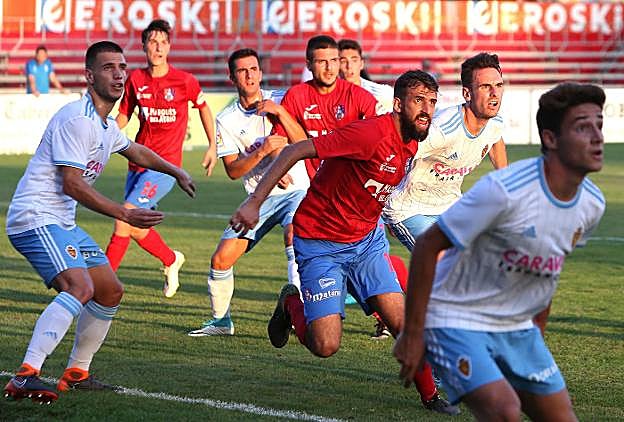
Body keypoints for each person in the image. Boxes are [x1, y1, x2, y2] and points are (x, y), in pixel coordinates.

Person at [231, 70, 459, 416]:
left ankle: (431, 398)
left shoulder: (412, 142)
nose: (426, 109)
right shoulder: (370, 134)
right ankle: (291, 305)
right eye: (418, 101)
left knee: (402, 322)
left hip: (366, 244)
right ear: (398, 105)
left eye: (431, 101)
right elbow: (295, 150)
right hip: (320, 242)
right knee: (325, 344)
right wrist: (254, 202)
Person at [394, 82, 606, 421]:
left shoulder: (592, 204)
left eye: (599, 124)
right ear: (551, 139)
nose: (597, 137)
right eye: (583, 127)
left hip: (517, 328)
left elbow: (546, 273)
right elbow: (428, 246)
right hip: (457, 320)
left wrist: (535, 339)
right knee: (504, 410)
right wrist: (414, 333)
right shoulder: (503, 190)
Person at [3, 41, 195, 404]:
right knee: (79, 287)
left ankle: (77, 373)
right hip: (35, 217)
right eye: (108, 68)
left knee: (110, 290)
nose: (119, 74)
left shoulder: (105, 125)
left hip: (61, 221)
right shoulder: (78, 120)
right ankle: (25, 375)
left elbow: (135, 149)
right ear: (89, 76)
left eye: (122, 67)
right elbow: (72, 185)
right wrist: (125, 213)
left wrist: (176, 170)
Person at [380, 53, 508, 336]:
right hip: (409, 208)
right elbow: (400, 154)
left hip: (450, 206)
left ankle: (401, 305)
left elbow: (495, 138)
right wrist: (381, 207)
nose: (494, 93)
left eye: (498, 85)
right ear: (467, 93)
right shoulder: (442, 130)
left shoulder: (495, 122)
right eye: (486, 87)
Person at [188, 48, 309, 336]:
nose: (250, 75)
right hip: (259, 198)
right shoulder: (226, 118)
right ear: (232, 77)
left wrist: (280, 112)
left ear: (261, 72)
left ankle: (300, 313)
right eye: (242, 71)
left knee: (293, 235)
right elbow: (233, 170)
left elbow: (304, 142)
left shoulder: (281, 98)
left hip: (297, 190)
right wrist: (263, 152)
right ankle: (221, 322)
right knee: (221, 259)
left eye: (254, 69)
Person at [104, 19, 217, 298]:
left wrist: (213, 145)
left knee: (124, 217)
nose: (158, 47)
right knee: (135, 227)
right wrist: (103, 136)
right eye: (152, 42)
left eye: (163, 42)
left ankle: (101, 285)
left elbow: (203, 108)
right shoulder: (135, 79)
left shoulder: (184, 81)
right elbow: (124, 115)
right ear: (144, 45)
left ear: (169, 47)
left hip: (166, 167)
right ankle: (171, 259)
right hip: (137, 163)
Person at [272, 35, 378, 179]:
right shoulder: (296, 96)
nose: (329, 68)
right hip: (312, 181)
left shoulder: (359, 96)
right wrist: (281, 172)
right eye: (322, 62)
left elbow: (378, 141)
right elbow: (278, 141)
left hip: (350, 180)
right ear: (309, 65)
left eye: (334, 60)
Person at [338, 39, 394, 114]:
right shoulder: (327, 95)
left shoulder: (384, 93)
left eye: (354, 60)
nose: (349, 66)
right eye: (343, 61)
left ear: (361, 64)